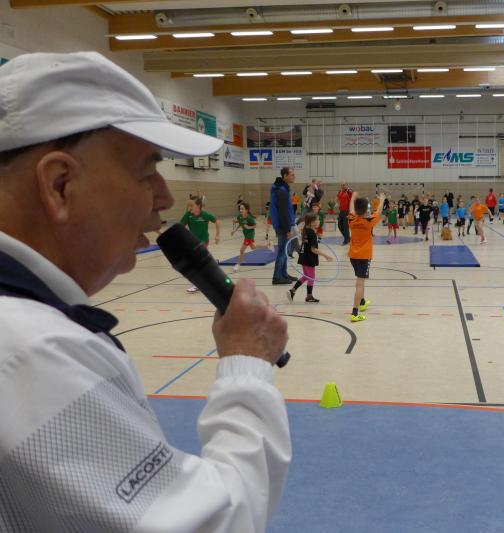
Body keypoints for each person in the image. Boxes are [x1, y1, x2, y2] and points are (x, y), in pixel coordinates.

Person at [0, 51, 290, 531]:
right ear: (60, 184)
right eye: (146, 170)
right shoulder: (31, 349)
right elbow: (219, 523)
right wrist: (247, 365)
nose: (165, 196)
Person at [348, 191, 384, 322]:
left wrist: (353, 196)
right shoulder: (369, 221)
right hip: (364, 256)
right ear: (365, 209)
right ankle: (355, 313)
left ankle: (362, 302)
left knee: (360, 280)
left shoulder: (351, 219)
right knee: (360, 284)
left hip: (353, 255)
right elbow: (379, 211)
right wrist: (382, 199)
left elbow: (351, 209)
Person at [287, 213, 333, 303]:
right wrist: (326, 256)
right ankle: (309, 296)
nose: (319, 221)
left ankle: (292, 291)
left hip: (303, 256)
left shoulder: (306, 230)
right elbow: (313, 249)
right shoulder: (311, 233)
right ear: (312, 222)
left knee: (306, 276)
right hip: (308, 258)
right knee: (311, 277)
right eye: (317, 220)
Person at [180, 197, 221, 293]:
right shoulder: (188, 215)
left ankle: (197, 284)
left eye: (192, 205)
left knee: (196, 262)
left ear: (198, 206)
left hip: (203, 241)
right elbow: (180, 225)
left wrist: (217, 235)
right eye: (189, 205)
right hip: (192, 242)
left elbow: (217, 221)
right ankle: (212, 263)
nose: (190, 207)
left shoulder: (205, 215)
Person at [270, 167, 297, 285]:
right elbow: (283, 212)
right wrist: (287, 229)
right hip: (283, 226)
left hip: (284, 225)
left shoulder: (283, 188)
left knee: (285, 251)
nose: (294, 177)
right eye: (291, 175)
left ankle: (283, 274)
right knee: (282, 251)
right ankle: (277, 277)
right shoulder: (281, 191)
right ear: (285, 176)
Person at [231, 201, 265, 274]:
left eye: (242, 209)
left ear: (246, 210)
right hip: (246, 234)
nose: (241, 210)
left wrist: (248, 227)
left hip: (250, 235)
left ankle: (238, 265)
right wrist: (234, 231)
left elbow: (255, 225)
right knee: (253, 247)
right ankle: (268, 245)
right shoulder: (239, 217)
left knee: (241, 250)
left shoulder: (249, 218)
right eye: (240, 209)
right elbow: (240, 224)